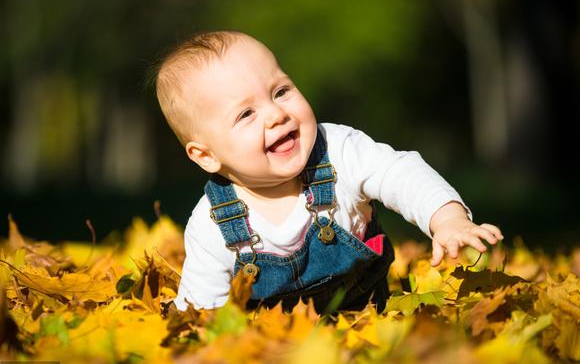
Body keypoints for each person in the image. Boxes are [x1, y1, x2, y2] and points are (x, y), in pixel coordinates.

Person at [154, 30, 503, 313]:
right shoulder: (212, 225)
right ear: (206, 155)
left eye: (281, 91)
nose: (276, 114)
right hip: (279, 353)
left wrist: (447, 218)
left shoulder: (336, 151)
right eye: (246, 114)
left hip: (370, 322)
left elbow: (399, 173)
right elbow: (202, 310)